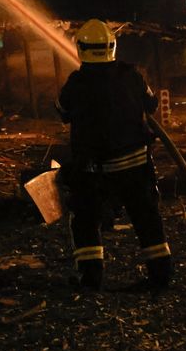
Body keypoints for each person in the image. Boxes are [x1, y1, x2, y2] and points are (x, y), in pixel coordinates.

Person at [56, 19, 172, 290]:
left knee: (85, 219)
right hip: (135, 166)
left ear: (81, 48)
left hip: (94, 171)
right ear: (112, 46)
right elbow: (151, 104)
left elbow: (62, 111)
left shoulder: (77, 82)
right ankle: (161, 276)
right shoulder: (132, 75)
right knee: (147, 219)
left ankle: (91, 277)